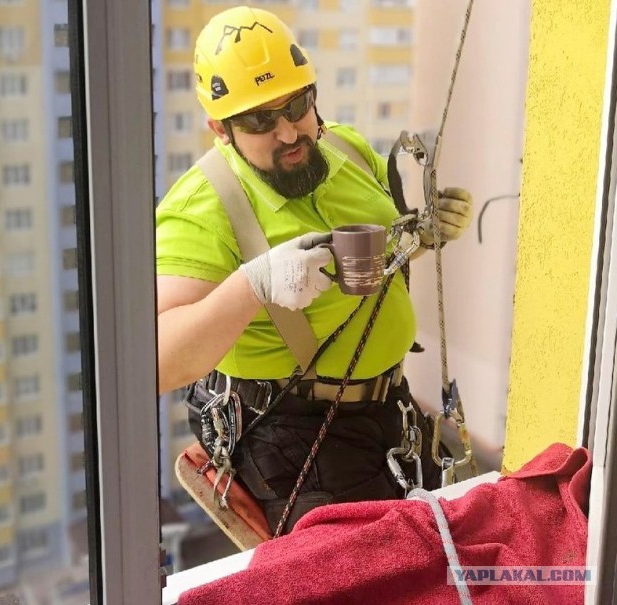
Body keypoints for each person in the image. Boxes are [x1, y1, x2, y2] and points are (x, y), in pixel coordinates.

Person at [156, 6, 473, 533]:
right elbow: (160, 361)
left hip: (389, 406)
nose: (287, 133)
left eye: (297, 105)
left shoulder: (343, 147)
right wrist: (254, 283)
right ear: (221, 128)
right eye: (259, 119)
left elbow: (376, 249)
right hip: (295, 433)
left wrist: (421, 234)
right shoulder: (203, 208)